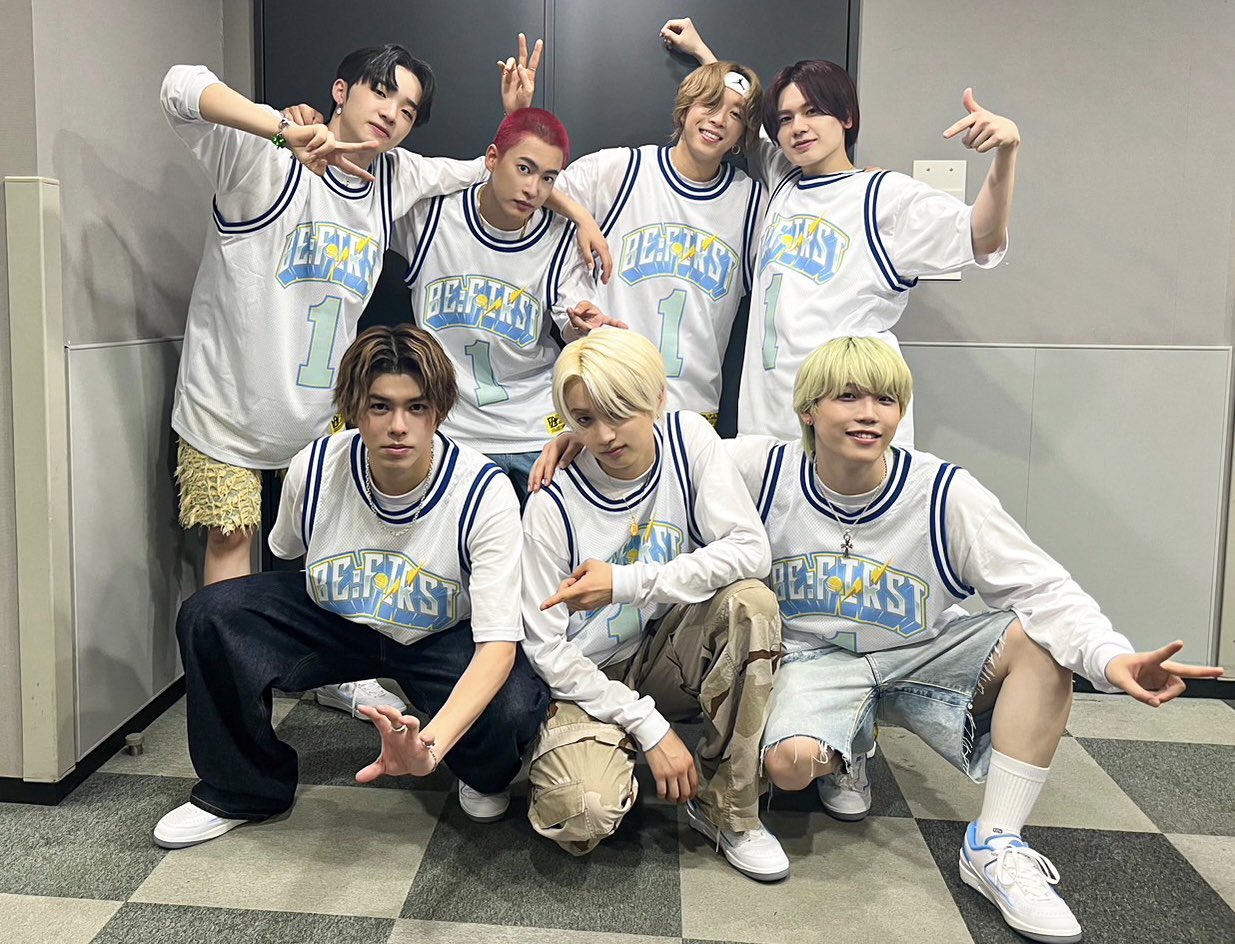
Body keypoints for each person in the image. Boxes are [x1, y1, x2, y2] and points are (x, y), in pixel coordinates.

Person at [726, 336, 1224, 940]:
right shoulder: (763, 470)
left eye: (886, 400)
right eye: (848, 397)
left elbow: (1043, 588)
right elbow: (670, 454)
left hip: (920, 652)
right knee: (790, 768)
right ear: (808, 409)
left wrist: (1110, 656)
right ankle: (849, 745)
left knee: (1040, 641)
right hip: (816, 660)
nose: (869, 414)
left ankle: (995, 844)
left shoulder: (942, 492)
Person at [165, 40, 606, 719]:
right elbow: (180, 86)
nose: (392, 114)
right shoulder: (261, 156)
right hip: (227, 401)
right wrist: (280, 127)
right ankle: (230, 706)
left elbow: (489, 172)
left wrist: (579, 213)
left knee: (333, 550)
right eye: (380, 92)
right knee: (230, 538)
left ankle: (335, 674)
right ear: (341, 91)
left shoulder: (396, 178)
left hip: (320, 413)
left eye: (407, 109)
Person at [152, 325, 549, 849]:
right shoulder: (314, 467)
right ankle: (241, 788)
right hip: (337, 621)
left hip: (438, 634)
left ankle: (478, 771)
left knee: (516, 703)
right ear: (354, 409)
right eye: (380, 407)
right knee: (212, 615)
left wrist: (429, 749)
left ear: (439, 412)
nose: (398, 426)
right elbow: (288, 553)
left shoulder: (482, 491)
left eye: (416, 407)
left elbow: (497, 647)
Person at [661, 17, 1019, 444]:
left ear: (846, 116)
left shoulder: (882, 196)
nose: (798, 127)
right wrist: (703, 54)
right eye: (786, 118)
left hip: (851, 431)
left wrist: (1006, 153)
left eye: (813, 111)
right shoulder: (782, 179)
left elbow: (982, 236)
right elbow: (744, 118)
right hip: (769, 429)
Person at [518, 330, 789, 882]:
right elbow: (545, 649)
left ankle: (730, 809)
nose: (605, 435)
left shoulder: (688, 440)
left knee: (751, 603)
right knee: (583, 814)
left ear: (658, 398)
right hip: (587, 676)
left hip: (666, 651)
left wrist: (625, 582)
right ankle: (588, 752)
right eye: (585, 419)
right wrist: (648, 727)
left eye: (620, 411)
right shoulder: (552, 500)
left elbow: (750, 549)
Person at [393, 106, 603, 500]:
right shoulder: (432, 217)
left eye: (548, 178)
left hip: (535, 431)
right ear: (491, 158)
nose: (533, 189)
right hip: (455, 431)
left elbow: (571, 315)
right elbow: (368, 183)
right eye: (524, 169)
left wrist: (582, 324)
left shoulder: (560, 238)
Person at [549, 51, 764, 423]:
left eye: (736, 115)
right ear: (685, 108)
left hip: (693, 413)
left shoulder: (752, 203)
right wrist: (580, 216)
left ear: (744, 134)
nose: (719, 119)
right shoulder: (621, 171)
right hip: (609, 398)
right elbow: (529, 186)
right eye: (710, 104)